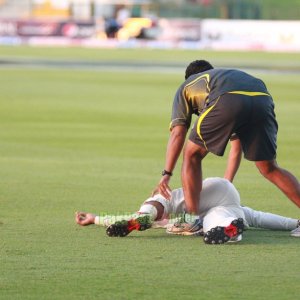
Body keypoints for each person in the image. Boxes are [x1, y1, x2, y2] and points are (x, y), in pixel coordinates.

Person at [154, 60, 300, 220]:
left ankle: (191, 219)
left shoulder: (188, 85)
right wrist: (226, 186)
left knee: (191, 155)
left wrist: (166, 174)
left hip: (227, 100)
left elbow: (178, 133)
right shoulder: (223, 79)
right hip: (263, 100)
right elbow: (236, 145)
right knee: (269, 168)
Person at [75, 177, 300, 244]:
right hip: (224, 195)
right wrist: (294, 223)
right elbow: (261, 217)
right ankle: (231, 230)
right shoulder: (233, 211)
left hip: (200, 203)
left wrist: (96, 219)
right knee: (220, 224)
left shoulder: (173, 210)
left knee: (164, 204)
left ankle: (146, 214)